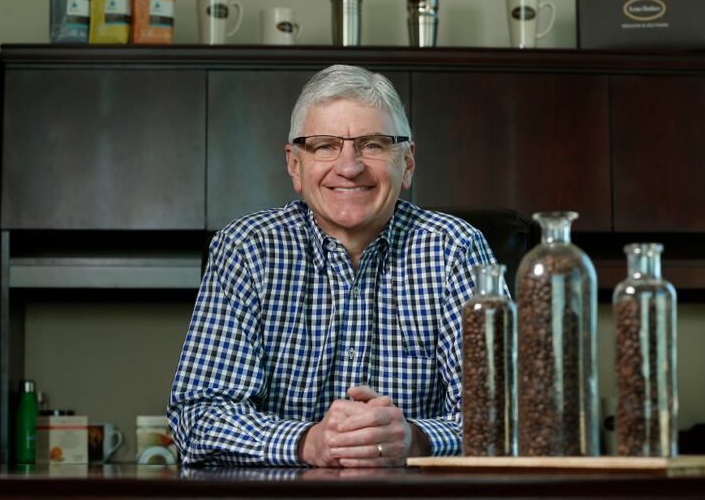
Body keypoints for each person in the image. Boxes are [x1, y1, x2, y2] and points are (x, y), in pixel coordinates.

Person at [168, 64, 498, 467]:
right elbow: (196, 417)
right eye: (324, 145)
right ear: (294, 164)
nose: (349, 166)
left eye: (373, 144)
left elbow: (499, 417)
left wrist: (413, 439)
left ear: (407, 162)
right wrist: (310, 442)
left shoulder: (455, 250)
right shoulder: (247, 250)